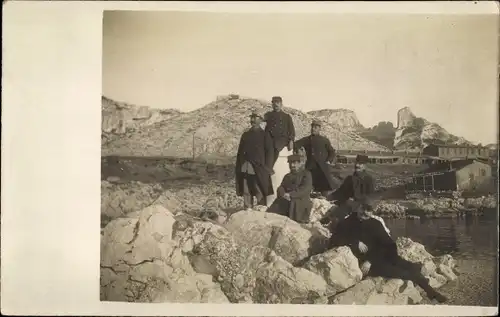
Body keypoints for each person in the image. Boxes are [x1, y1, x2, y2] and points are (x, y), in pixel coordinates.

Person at [328, 203, 448, 303]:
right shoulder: (346, 223)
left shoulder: (375, 223)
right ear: (358, 207)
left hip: (378, 258)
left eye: (368, 211)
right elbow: (334, 240)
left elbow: (388, 244)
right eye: (363, 209)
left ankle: (423, 287)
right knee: (407, 273)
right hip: (365, 263)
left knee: (413, 267)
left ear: (372, 212)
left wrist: (377, 259)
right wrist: (355, 242)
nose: (365, 213)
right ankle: (432, 295)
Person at [320, 154, 390, 234]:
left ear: (365, 166)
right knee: (335, 217)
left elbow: (370, 196)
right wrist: (328, 197)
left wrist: (357, 200)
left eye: (360, 164)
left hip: (361, 205)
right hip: (348, 204)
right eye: (356, 163)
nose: (357, 165)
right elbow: (340, 192)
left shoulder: (369, 179)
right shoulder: (350, 178)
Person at [235, 112, 275, 209]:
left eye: (255, 118)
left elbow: (270, 153)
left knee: (259, 190)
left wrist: (267, 168)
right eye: (252, 117)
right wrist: (239, 166)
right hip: (245, 167)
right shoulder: (245, 135)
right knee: (246, 190)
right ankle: (247, 209)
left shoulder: (265, 135)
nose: (253, 120)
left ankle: (261, 211)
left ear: (261, 120)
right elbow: (240, 153)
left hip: (259, 168)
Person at [294, 120, 338, 197]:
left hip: (322, 168)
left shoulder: (325, 140)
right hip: (311, 167)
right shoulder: (306, 139)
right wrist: (297, 150)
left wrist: (328, 161)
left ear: (319, 129)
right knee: (307, 186)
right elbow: (295, 144)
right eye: (312, 127)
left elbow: (332, 152)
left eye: (315, 127)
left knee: (324, 190)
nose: (313, 129)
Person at [266, 154, 313, 223]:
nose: (292, 165)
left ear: (300, 164)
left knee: (294, 203)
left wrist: (291, 195)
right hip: (286, 198)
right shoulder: (287, 176)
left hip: (300, 200)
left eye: (294, 163)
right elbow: (281, 187)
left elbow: (305, 189)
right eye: (290, 163)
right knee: (274, 210)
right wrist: (283, 193)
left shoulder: (306, 174)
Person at [263, 96, 296, 166]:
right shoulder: (268, 115)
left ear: (281, 104)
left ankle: (269, 168)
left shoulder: (287, 116)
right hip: (270, 138)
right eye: (274, 103)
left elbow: (292, 131)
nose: (276, 104)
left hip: (282, 139)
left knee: (276, 147)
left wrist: (291, 140)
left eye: (277, 102)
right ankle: (267, 167)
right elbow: (260, 120)